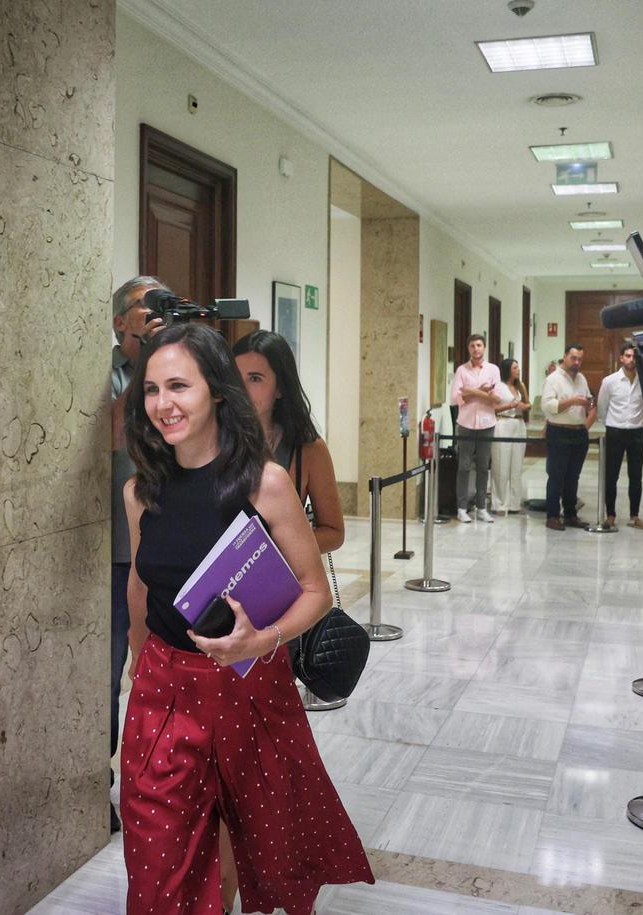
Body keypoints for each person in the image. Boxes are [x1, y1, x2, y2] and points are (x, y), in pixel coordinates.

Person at [121, 322, 373, 914]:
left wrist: (263, 639)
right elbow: (140, 580)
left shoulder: (266, 483)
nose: (163, 404)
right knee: (158, 860)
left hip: (251, 687)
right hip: (165, 690)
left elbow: (316, 592)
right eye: (152, 390)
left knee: (264, 848)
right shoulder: (142, 491)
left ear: (215, 389)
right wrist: (138, 660)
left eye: (178, 386)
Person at [109, 274, 169, 833]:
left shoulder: (173, 365)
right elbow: (109, 435)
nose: (154, 313)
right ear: (119, 322)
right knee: (112, 673)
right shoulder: (108, 372)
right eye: (142, 307)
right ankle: (104, 789)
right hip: (116, 549)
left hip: (169, 545)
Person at [234, 330, 344, 552]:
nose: (242, 390)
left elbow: (333, 532)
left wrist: (273, 552)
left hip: (280, 578)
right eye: (236, 378)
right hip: (217, 582)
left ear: (280, 388)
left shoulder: (309, 449)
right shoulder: (210, 441)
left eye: (255, 379)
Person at [595, 341, 643, 531]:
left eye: (634, 356)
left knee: (636, 476)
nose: (631, 359)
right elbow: (602, 407)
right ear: (621, 358)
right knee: (611, 475)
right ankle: (610, 515)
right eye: (627, 356)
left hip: (637, 431)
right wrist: (610, 423)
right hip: (615, 431)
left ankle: (635, 516)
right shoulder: (609, 381)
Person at [541, 343, 597, 530]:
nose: (577, 362)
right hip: (559, 431)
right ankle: (552, 516)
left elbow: (587, 400)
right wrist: (572, 401)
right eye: (573, 358)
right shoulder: (553, 379)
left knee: (573, 476)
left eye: (580, 359)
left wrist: (588, 404)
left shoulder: (581, 378)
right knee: (556, 476)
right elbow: (548, 406)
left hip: (578, 432)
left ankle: (571, 514)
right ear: (565, 356)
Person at [449, 333, 501, 523]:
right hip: (466, 423)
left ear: (484, 347)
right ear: (468, 349)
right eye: (472, 346)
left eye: (479, 345)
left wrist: (470, 391)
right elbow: (455, 398)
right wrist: (482, 391)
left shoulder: (493, 369)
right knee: (463, 466)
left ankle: (481, 507)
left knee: (482, 466)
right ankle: (462, 508)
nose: (476, 349)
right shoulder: (461, 370)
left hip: (487, 423)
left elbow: (497, 398)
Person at [491, 357, 531, 515]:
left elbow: (528, 404)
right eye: (515, 367)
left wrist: (524, 406)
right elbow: (493, 408)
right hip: (504, 423)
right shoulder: (498, 387)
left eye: (518, 367)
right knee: (501, 464)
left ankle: (514, 503)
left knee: (516, 465)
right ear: (507, 369)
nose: (518, 370)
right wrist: (510, 405)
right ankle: (499, 503)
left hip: (519, 424)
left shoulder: (519, 386)